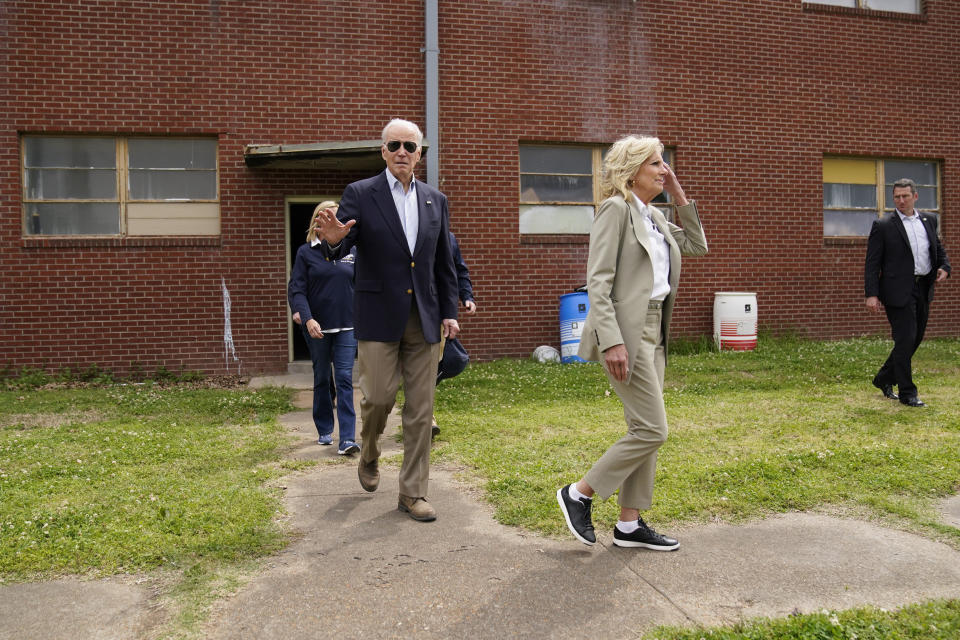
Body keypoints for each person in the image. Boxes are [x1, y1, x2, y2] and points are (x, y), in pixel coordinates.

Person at [556, 135, 707, 549]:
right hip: (626, 331)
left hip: (656, 329)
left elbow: (696, 245)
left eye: (664, 163)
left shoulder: (653, 217)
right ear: (632, 170)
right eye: (656, 164)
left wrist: (678, 195)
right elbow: (598, 284)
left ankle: (629, 524)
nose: (664, 169)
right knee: (654, 429)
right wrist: (611, 341)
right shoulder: (615, 210)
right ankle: (579, 493)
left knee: (643, 427)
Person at [314, 118, 459, 522]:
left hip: (425, 318)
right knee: (377, 399)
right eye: (394, 145)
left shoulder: (435, 200)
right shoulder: (361, 193)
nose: (402, 152)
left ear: (419, 155)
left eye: (410, 147)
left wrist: (449, 310)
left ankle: (413, 493)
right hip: (378, 316)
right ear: (383, 151)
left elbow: (442, 263)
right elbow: (338, 246)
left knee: (420, 408)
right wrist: (334, 240)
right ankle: (371, 449)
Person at [864, 178, 950, 408]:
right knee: (904, 339)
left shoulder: (929, 220)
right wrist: (871, 294)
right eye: (897, 197)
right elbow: (872, 263)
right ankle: (907, 393)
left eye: (905, 196)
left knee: (916, 337)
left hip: (923, 287)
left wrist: (944, 267)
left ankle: (883, 378)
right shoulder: (883, 226)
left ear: (915, 196)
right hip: (896, 290)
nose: (901, 201)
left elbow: (938, 249)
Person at [288, 202, 360, 455]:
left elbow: (362, 285)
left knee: (344, 380)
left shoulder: (352, 251)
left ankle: (348, 439)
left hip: (347, 326)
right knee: (321, 378)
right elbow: (297, 290)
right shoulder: (305, 253)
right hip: (316, 327)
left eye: (337, 215)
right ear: (317, 221)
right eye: (327, 215)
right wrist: (308, 319)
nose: (333, 219)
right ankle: (324, 429)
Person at [431, 231, 476, 439]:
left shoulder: (449, 238)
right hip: (412, 312)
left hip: (440, 314)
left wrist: (466, 296)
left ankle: (422, 410)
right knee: (423, 367)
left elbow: (459, 269)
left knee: (451, 361)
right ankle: (423, 415)